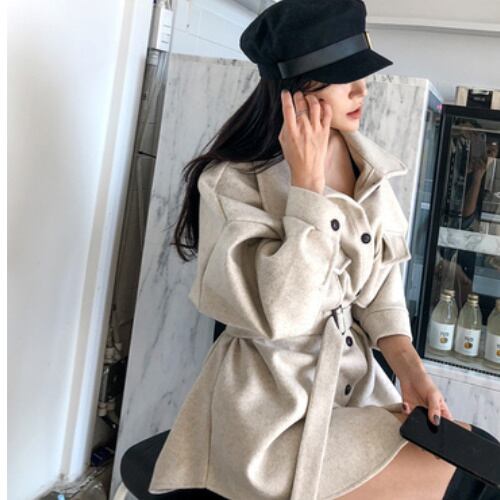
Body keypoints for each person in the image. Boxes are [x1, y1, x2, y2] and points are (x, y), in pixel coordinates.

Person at [147, 1, 500, 498]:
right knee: (467, 481)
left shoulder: (370, 172)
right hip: (272, 418)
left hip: (352, 393)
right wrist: (307, 188)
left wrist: (411, 371)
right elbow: (284, 315)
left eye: (362, 74)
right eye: (342, 77)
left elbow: (379, 294)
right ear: (294, 90)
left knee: (479, 453)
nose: (361, 90)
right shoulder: (231, 183)